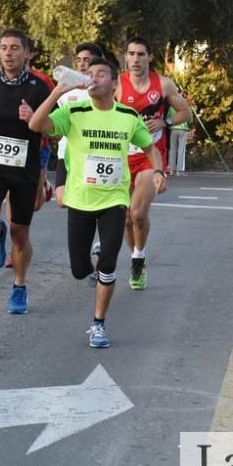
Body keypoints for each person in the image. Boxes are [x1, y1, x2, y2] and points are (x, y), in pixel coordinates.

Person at [29, 56, 162, 347]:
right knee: (79, 270)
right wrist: (57, 92)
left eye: (101, 74)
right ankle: (97, 266)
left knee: (109, 263)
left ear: (114, 85)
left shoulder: (127, 116)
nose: (93, 78)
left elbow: (150, 148)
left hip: (114, 200)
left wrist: (159, 171)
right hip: (80, 200)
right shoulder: (73, 111)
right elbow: (36, 124)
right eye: (89, 74)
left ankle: (98, 324)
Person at [0, 28, 52, 314]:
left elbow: (54, 128)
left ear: (27, 53)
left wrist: (35, 119)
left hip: (25, 169)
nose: (8, 53)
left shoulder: (40, 88)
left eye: (15, 48)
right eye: (4, 47)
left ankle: (19, 286)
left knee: (20, 234)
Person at [115, 37, 192, 290]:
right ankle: (137, 256)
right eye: (131, 54)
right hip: (123, 157)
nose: (135, 59)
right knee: (125, 219)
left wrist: (165, 123)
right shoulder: (118, 85)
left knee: (138, 214)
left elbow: (186, 112)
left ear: (150, 57)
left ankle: (139, 259)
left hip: (151, 157)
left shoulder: (163, 84)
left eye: (140, 54)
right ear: (125, 57)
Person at [54, 42, 103, 208]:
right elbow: (55, 121)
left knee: (89, 202)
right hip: (66, 152)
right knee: (61, 201)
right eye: (79, 60)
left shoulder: (102, 90)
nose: (82, 64)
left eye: (86, 59)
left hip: (93, 154)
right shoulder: (65, 88)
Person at [167, 105, 190, 176]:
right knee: (181, 150)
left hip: (173, 128)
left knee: (172, 150)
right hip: (183, 129)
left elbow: (168, 117)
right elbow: (189, 118)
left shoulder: (171, 107)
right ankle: (179, 170)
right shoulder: (185, 106)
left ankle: (171, 169)